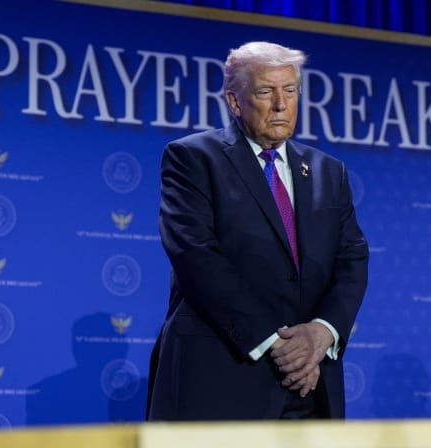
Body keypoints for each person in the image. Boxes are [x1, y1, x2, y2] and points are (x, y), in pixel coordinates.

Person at [146, 41, 368, 420]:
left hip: (310, 383)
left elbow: (352, 259)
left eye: (291, 91)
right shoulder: (194, 158)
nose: (282, 104)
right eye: (266, 92)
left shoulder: (329, 172)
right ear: (235, 101)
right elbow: (196, 255)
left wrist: (322, 332)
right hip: (224, 375)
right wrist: (277, 343)